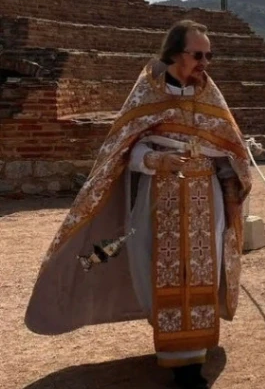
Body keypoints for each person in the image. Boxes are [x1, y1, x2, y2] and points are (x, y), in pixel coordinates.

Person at [24, 20, 252, 389]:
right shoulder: (147, 92)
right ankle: (177, 355)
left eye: (209, 55)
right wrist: (154, 160)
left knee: (202, 269)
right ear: (175, 53)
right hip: (159, 195)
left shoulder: (211, 95)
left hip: (204, 198)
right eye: (198, 54)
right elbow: (124, 149)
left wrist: (230, 173)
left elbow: (231, 147)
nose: (205, 62)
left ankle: (196, 351)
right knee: (159, 267)